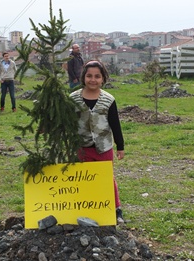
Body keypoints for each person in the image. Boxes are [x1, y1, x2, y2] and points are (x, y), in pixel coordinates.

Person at [69, 60, 125, 224]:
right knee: (84, 178)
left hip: (103, 147)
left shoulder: (108, 100)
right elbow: (67, 121)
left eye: (97, 76)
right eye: (89, 76)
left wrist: (120, 146)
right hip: (82, 147)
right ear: (83, 77)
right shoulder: (73, 99)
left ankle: (116, 209)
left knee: (107, 178)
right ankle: (88, 207)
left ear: (103, 79)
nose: (93, 80)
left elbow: (115, 124)